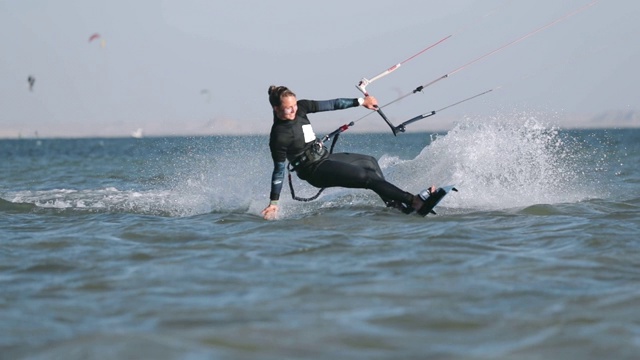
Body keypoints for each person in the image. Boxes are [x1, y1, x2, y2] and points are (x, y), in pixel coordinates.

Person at [261, 85, 435, 220]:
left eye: (294, 105)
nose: (294, 110)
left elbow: (331, 104)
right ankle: (414, 201)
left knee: (370, 163)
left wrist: (360, 102)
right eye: (288, 108)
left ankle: (396, 206)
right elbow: (278, 170)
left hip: (325, 158)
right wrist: (274, 203)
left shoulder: (302, 108)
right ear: (276, 109)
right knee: (368, 179)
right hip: (314, 171)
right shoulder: (279, 136)